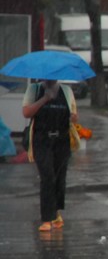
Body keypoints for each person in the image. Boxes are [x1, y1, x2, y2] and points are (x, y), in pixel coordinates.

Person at [22, 79, 78, 232]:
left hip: (61, 140)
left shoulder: (66, 91)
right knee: (47, 177)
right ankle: (47, 218)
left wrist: (72, 117)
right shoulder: (34, 90)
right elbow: (26, 112)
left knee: (59, 179)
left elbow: (74, 116)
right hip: (42, 140)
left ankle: (55, 212)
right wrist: (44, 99)